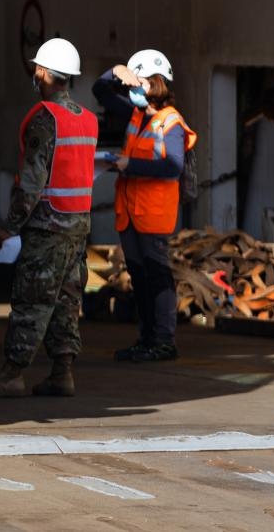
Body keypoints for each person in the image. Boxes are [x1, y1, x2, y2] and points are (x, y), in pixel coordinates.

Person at [0, 38, 98, 399]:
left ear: (42, 72)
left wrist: (8, 226)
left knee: (32, 300)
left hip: (48, 227)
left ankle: (13, 373)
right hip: (78, 228)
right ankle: (62, 372)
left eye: (37, 68)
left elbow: (32, 182)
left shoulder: (45, 119)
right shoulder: (88, 119)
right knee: (67, 300)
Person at [94, 48, 196, 362]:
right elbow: (100, 91)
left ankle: (164, 341)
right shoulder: (136, 114)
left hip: (153, 214)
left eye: (137, 84)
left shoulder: (171, 123)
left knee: (157, 276)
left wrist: (129, 164)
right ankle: (146, 339)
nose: (131, 91)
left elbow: (172, 166)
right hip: (131, 213)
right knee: (139, 277)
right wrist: (116, 71)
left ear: (153, 84)